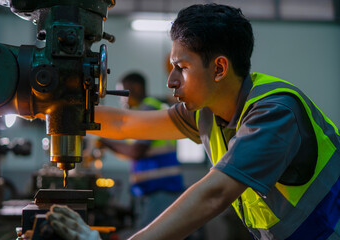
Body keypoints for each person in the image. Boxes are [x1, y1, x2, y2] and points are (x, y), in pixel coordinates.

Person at [46, 3, 340, 240]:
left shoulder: (275, 113)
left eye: (181, 67)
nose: (171, 81)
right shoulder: (207, 112)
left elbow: (214, 194)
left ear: (219, 68)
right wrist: (44, 106)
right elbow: (124, 124)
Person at [98, 72, 185, 231]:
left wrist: (103, 141)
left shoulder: (149, 108)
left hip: (161, 190)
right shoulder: (143, 111)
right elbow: (132, 154)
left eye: (122, 92)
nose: (120, 99)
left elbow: (136, 151)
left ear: (136, 88)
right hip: (153, 191)